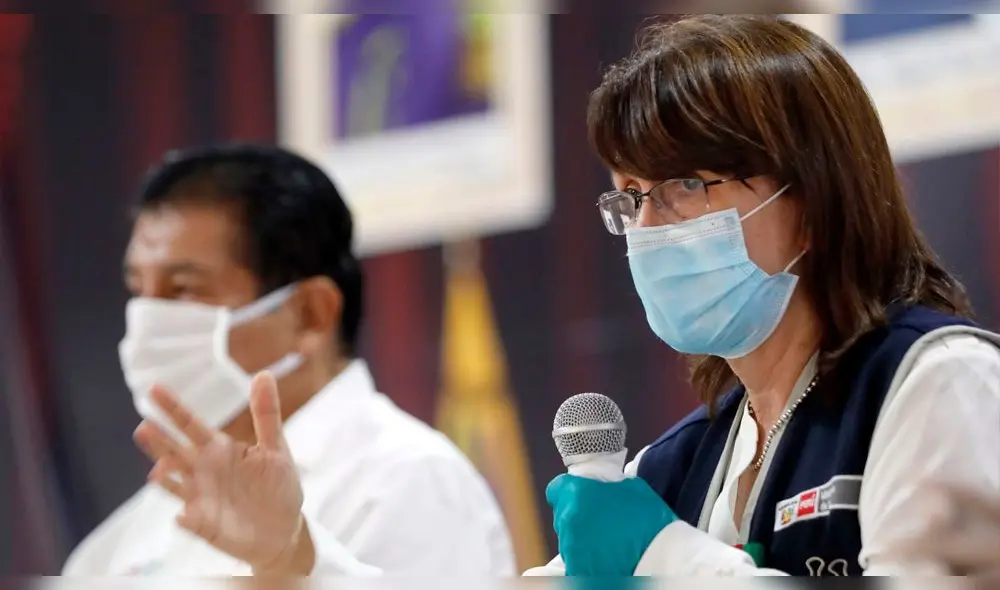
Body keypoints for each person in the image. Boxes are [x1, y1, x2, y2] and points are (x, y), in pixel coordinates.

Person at [524, 15, 1000, 577]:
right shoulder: (671, 466)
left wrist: (674, 562)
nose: (649, 225)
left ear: (814, 198)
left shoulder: (938, 383)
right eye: (631, 195)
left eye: (685, 184)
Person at [61, 143, 516, 576]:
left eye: (183, 289)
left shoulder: (410, 483)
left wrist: (288, 560)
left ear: (310, 315)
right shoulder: (127, 538)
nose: (147, 320)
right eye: (139, 291)